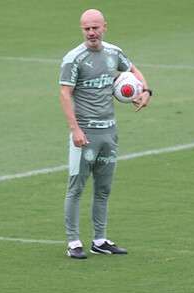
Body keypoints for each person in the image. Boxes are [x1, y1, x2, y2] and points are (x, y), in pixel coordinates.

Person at [59, 9, 152, 259]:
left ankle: (99, 240)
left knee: (103, 188)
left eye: (95, 27)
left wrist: (145, 91)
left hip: (109, 132)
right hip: (85, 133)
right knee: (76, 188)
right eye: (87, 28)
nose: (91, 32)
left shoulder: (113, 53)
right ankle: (73, 242)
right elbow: (65, 94)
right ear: (82, 29)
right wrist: (75, 129)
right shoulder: (74, 59)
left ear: (104, 27)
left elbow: (134, 70)